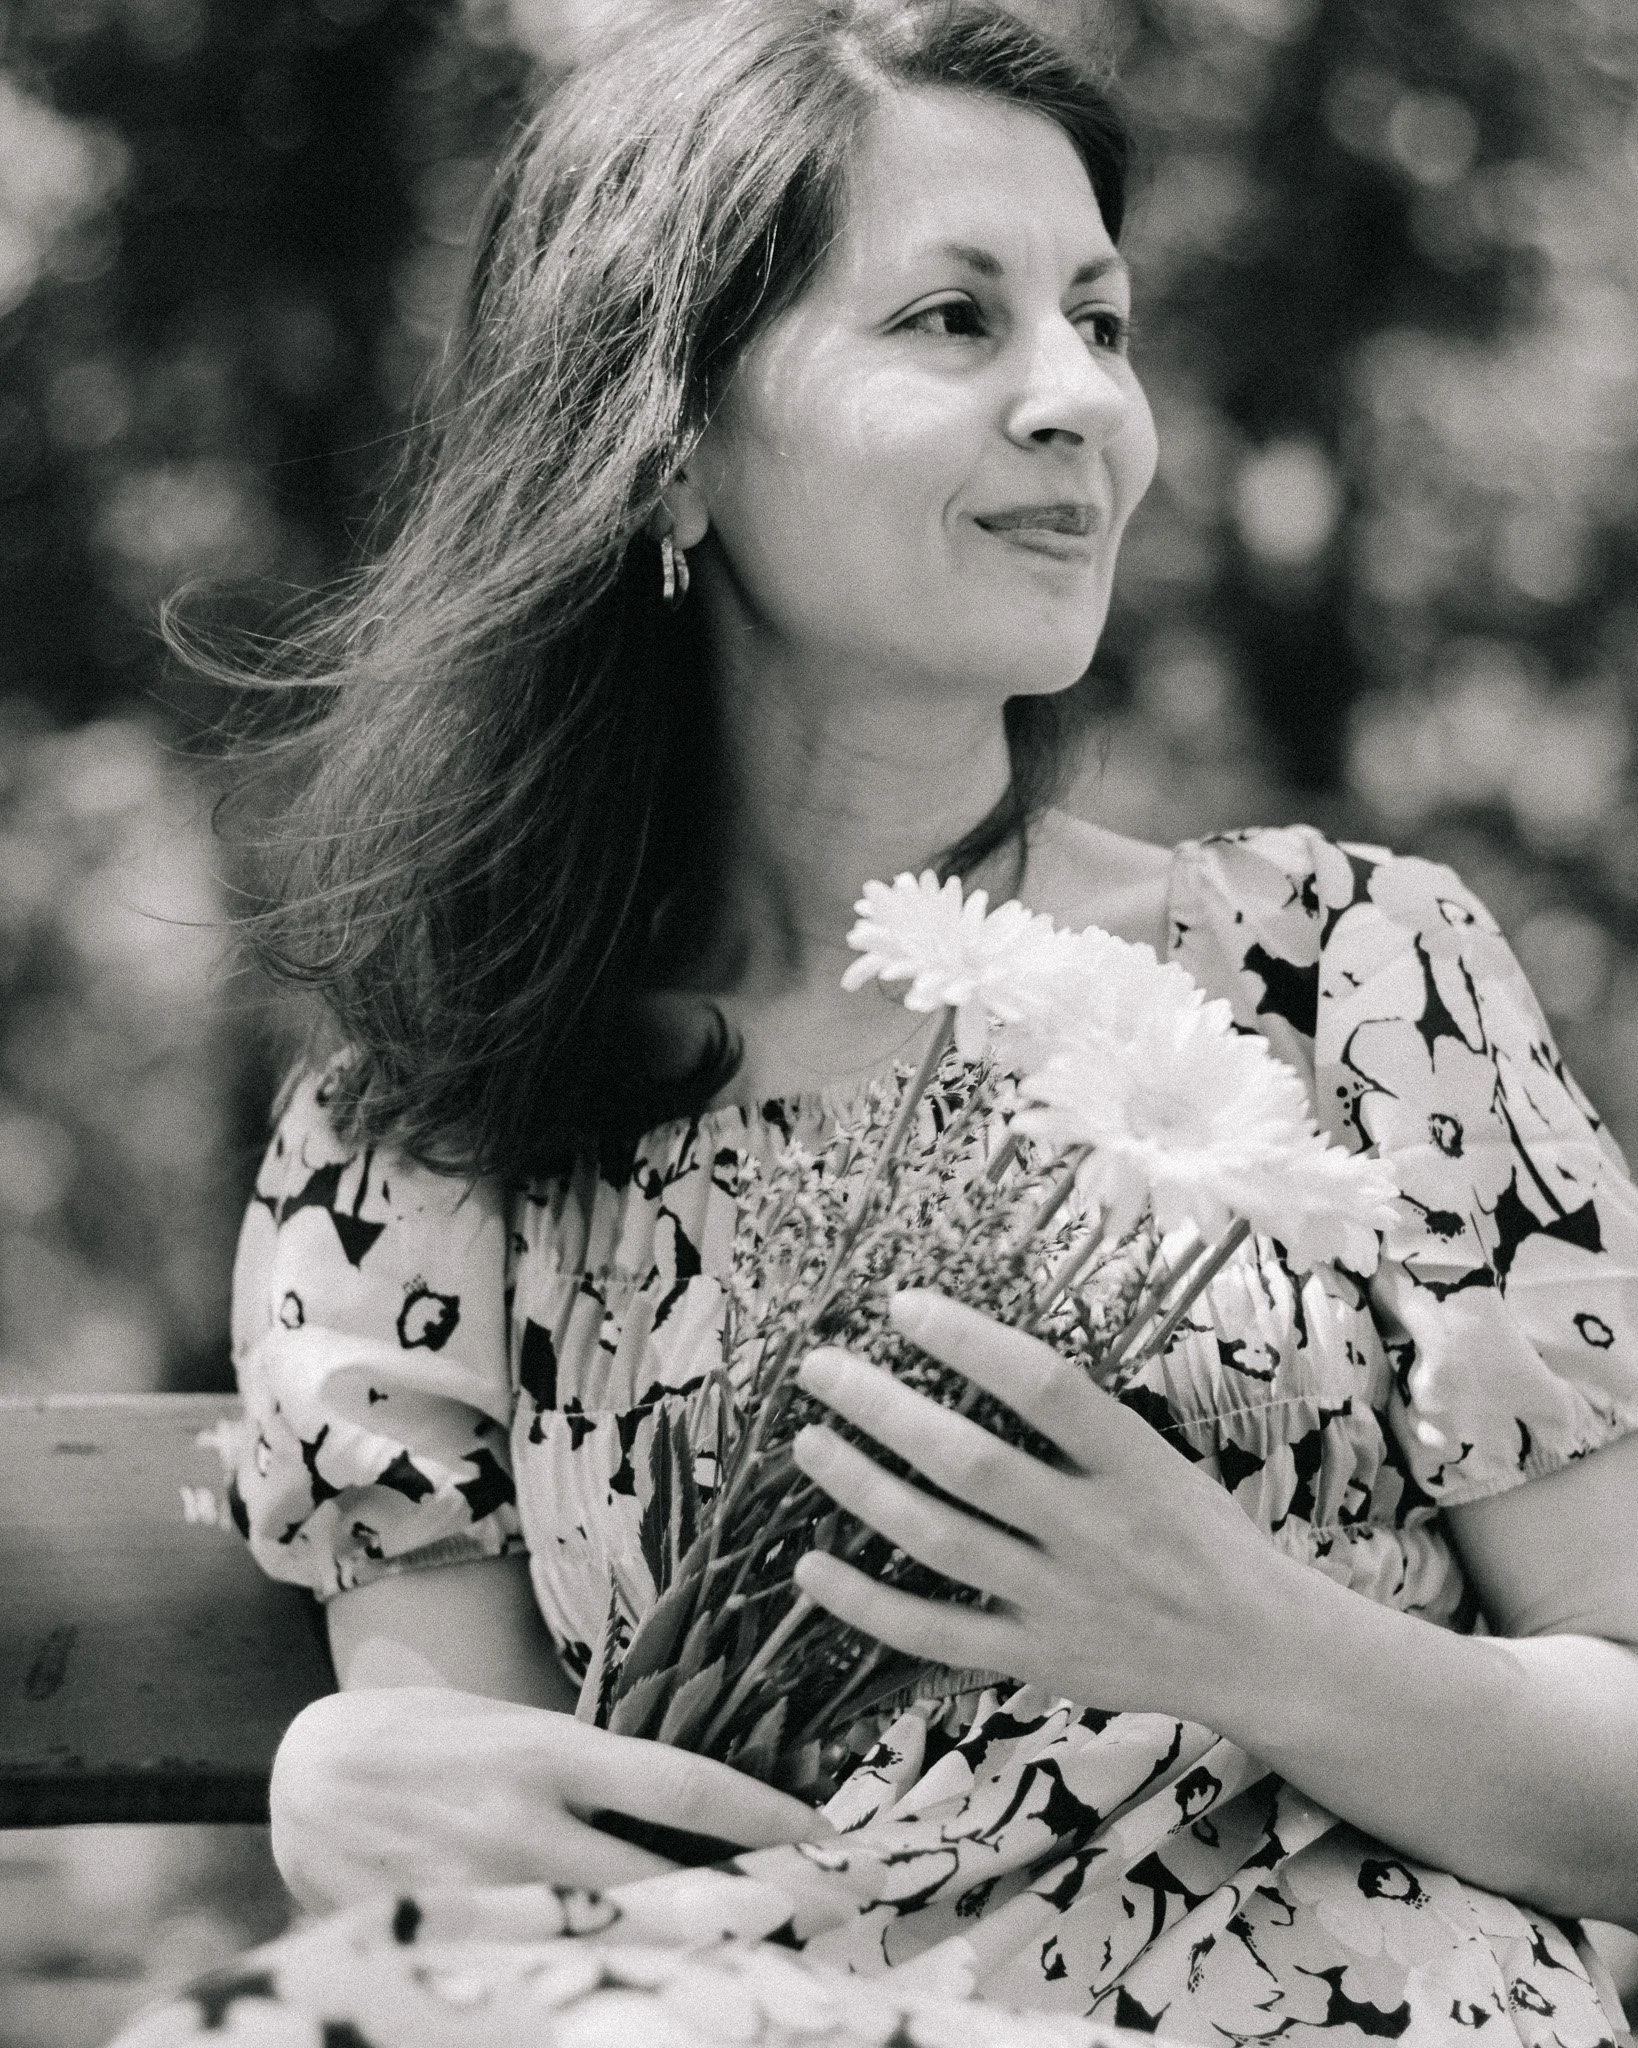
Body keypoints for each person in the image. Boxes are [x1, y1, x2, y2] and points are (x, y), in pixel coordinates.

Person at [157, 1, 1638, 2040]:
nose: (1082, 405)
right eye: (955, 318)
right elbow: (504, 1897)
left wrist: (1253, 1633)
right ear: (667, 449)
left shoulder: (1350, 976)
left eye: (1102, 323)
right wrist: (349, 1792)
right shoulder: (434, 1130)